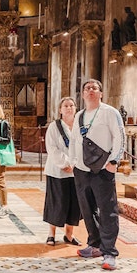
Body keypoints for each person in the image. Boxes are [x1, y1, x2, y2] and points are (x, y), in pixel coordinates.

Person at [72, 79, 125, 270]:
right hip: (82, 170)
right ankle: (94, 245)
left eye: (94, 88)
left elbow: (120, 136)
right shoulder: (79, 115)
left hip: (103, 169)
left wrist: (114, 161)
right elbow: (74, 140)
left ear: (101, 93)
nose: (90, 91)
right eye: (87, 88)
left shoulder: (110, 112)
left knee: (107, 210)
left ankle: (109, 252)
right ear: (83, 94)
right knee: (87, 210)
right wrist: (73, 162)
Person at [43, 97, 82, 246]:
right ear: (60, 110)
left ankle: (69, 235)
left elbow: (83, 147)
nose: (69, 108)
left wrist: (74, 164)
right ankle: (51, 234)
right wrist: (65, 163)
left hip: (76, 171)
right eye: (66, 106)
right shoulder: (54, 126)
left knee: (74, 203)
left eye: (72, 105)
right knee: (57, 202)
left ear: (76, 108)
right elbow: (52, 148)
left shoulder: (80, 126)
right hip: (57, 170)